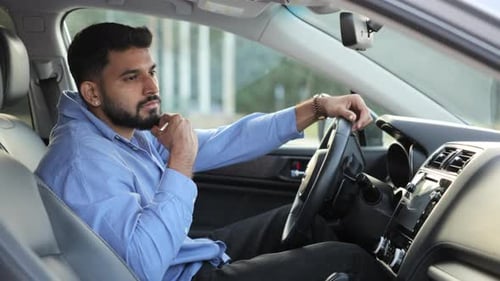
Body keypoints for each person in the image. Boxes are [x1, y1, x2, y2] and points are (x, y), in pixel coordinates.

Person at [35, 23, 389, 281]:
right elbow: (141, 266)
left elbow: (228, 140)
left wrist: (318, 107)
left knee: (313, 221)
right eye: (132, 77)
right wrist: (181, 161)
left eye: (151, 72)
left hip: (187, 255)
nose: (152, 87)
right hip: (178, 275)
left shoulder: (124, 131)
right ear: (93, 94)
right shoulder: (81, 163)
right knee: (348, 263)